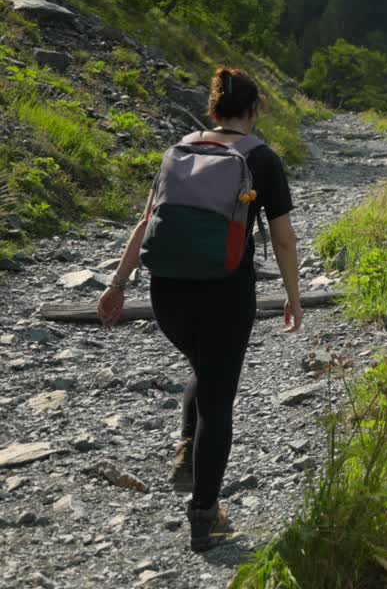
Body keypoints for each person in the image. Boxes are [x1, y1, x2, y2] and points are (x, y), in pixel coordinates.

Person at [96, 67, 303, 552]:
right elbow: (285, 239)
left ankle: (187, 454)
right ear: (253, 111)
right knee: (218, 399)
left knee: (204, 369)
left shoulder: (178, 152)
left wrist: (117, 285)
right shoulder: (262, 159)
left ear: (213, 109)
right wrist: (293, 296)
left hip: (167, 296)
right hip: (226, 295)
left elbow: (148, 223)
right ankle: (205, 517)